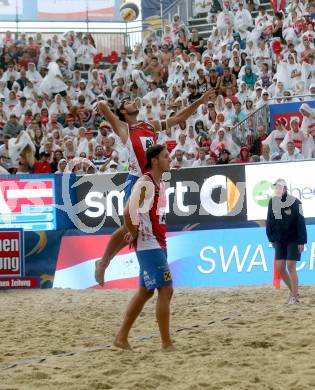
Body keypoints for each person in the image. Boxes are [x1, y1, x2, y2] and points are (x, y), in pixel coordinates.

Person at [95, 89, 214, 286]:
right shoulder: (124, 128)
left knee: (145, 229)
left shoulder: (150, 125)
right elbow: (104, 108)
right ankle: (105, 263)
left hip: (154, 181)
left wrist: (199, 101)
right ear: (123, 112)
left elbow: (178, 118)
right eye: (127, 102)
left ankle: (141, 275)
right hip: (137, 180)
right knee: (130, 226)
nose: (132, 102)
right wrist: (101, 104)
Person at [113, 144, 174, 351]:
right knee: (166, 290)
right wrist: (134, 231)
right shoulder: (145, 182)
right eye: (166, 156)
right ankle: (166, 343)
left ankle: (121, 338)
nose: (170, 159)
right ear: (155, 161)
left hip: (157, 243)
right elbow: (128, 210)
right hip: (149, 244)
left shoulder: (159, 184)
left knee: (145, 292)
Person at [266, 179, 307, 305]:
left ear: (285, 189)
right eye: (275, 188)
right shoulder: (272, 201)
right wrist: (271, 238)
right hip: (279, 239)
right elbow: (270, 220)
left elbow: (301, 222)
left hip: (293, 239)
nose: (277, 190)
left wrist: (302, 241)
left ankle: (294, 297)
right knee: (280, 268)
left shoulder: (296, 202)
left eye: (279, 187)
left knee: (290, 265)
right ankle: (294, 293)